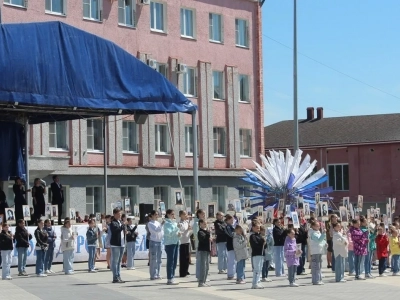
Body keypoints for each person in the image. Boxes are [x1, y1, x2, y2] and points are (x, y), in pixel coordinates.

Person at [163, 209, 181, 285]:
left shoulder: (173, 222)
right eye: (172, 214)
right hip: (170, 244)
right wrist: (177, 228)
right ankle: (169, 278)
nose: (174, 216)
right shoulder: (166, 223)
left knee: (174, 261)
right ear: (168, 214)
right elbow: (169, 233)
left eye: (174, 214)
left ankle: (172, 276)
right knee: (170, 261)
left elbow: (176, 232)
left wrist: (179, 233)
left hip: (176, 242)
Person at [109, 208, 126, 283]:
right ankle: (115, 277)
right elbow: (116, 230)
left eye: (121, 214)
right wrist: (122, 226)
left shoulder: (120, 222)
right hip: (115, 244)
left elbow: (123, 230)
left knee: (119, 261)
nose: (120, 215)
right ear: (115, 214)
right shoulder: (113, 223)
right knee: (115, 261)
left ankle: (118, 276)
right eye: (118, 214)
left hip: (122, 243)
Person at [148, 210, 164, 280]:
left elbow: (161, 231)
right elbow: (156, 230)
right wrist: (162, 224)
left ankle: (158, 273)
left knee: (159, 259)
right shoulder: (150, 223)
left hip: (159, 241)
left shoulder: (158, 222)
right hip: (153, 242)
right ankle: (153, 274)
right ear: (152, 215)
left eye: (157, 214)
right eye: (155, 214)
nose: (157, 216)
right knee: (154, 259)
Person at [309, 220, 326, 285]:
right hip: (315, 251)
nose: (318, 227)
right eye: (317, 226)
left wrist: (325, 243)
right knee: (316, 266)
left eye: (319, 226)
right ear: (313, 226)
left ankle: (319, 279)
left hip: (319, 251)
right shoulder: (313, 233)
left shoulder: (317, 232)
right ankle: (316, 280)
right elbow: (319, 240)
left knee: (319, 266)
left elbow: (321, 240)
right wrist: (324, 234)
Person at [250, 221, 264, 289]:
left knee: (260, 268)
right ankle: (254, 283)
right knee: (256, 268)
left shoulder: (260, 235)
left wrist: (265, 243)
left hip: (261, 253)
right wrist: (262, 243)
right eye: (257, 228)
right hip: (256, 254)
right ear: (253, 228)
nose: (258, 229)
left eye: (259, 228)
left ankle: (258, 281)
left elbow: (264, 245)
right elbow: (255, 244)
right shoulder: (252, 236)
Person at [178, 210, 192, 278]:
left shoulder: (187, 222)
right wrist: (187, 230)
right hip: (182, 241)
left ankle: (186, 270)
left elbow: (189, 232)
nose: (186, 215)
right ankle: (182, 272)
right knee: (183, 257)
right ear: (180, 215)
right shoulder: (180, 223)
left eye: (186, 214)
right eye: (184, 214)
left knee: (187, 257)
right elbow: (181, 232)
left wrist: (190, 230)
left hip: (187, 240)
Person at [197, 219, 211, 287]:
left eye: (206, 223)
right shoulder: (200, 232)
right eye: (204, 223)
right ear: (201, 224)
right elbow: (203, 239)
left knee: (207, 266)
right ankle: (201, 281)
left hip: (207, 250)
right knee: (203, 266)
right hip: (203, 250)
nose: (206, 225)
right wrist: (208, 234)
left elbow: (207, 239)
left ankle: (204, 281)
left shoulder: (206, 231)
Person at [193, 209, 205, 280]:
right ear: (199, 214)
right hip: (200, 244)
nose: (204, 215)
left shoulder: (201, 222)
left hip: (203, 244)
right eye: (203, 214)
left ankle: (202, 275)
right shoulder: (196, 223)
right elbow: (196, 234)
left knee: (203, 261)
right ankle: (199, 275)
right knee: (200, 260)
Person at [223, 214, 236, 280]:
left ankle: (232, 273)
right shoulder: (228, 227)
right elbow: (230, 235)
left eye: (232, 220)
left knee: (233, 260)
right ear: (227, 220)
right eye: (231, 220)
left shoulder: (230, 226)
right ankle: (230, 274)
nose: (232, 221)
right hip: (230, 244)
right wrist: (235, 233)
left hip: (232, 245)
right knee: (231, 260)